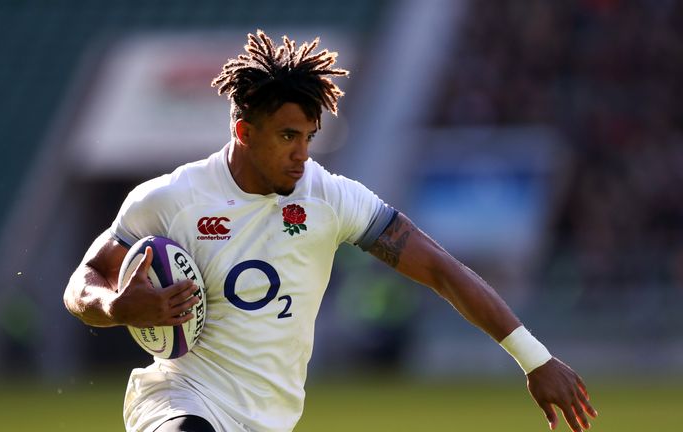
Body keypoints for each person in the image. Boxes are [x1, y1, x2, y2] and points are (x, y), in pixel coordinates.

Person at [63, 30, 598, 432]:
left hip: (270, 418)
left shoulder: (331, 198)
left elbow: (440, 269)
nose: (302, 154)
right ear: (243, 130)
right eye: (287, 136)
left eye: (310, 136)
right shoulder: (172, 198)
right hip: (181, 400)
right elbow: (84, 280)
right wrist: (115, 306)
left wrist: (535, 358)